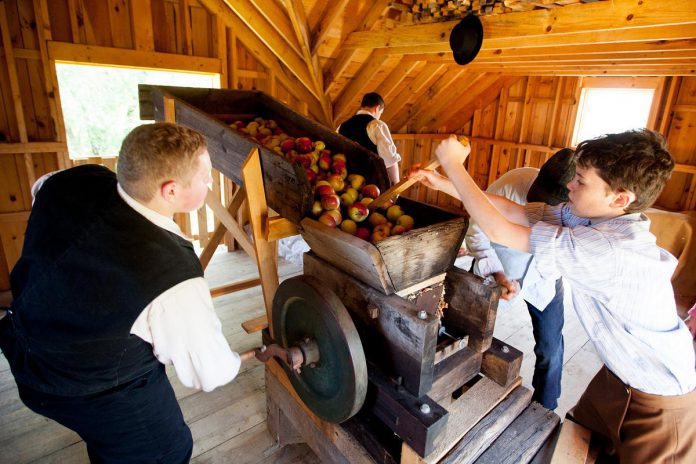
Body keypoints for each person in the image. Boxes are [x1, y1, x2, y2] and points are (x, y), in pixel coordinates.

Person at [411, 129, 696, 462]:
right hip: (617, 378)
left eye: (582, 181)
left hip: (660, 401)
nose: (571, 185)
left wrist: (454, 166)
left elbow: (499, 230)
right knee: (573, 447)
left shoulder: (609, 249)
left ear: (619, 198)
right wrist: (444, 182)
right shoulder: (592, 218)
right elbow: (517, 213)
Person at [0, 123, 242, 463]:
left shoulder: (74, 180)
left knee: (109, 444)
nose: (209, 182)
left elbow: (40, 187)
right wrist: (232, 363)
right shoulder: (171, 275)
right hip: (89, 387)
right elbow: (210, 372)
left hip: (22, 346)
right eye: (205, 177)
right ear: (170, 191)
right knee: (166, 452)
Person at [466, 148, 575, 410]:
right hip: (499, 264)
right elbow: (476, 230)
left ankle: (545, 408)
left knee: (551, 348)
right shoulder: (511, 185)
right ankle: (464, 385)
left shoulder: (583, 212)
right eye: (537, 198)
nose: (539, 207)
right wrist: (497, 272)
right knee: (468, 329)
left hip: (546, 279)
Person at [338, 92, 402, 185]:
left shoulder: (341, 126)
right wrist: (396, 186)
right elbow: (390, 159)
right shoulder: (377, 125)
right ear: (377, 108)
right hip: (371, 187)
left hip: (345, 185)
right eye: (381, 113)